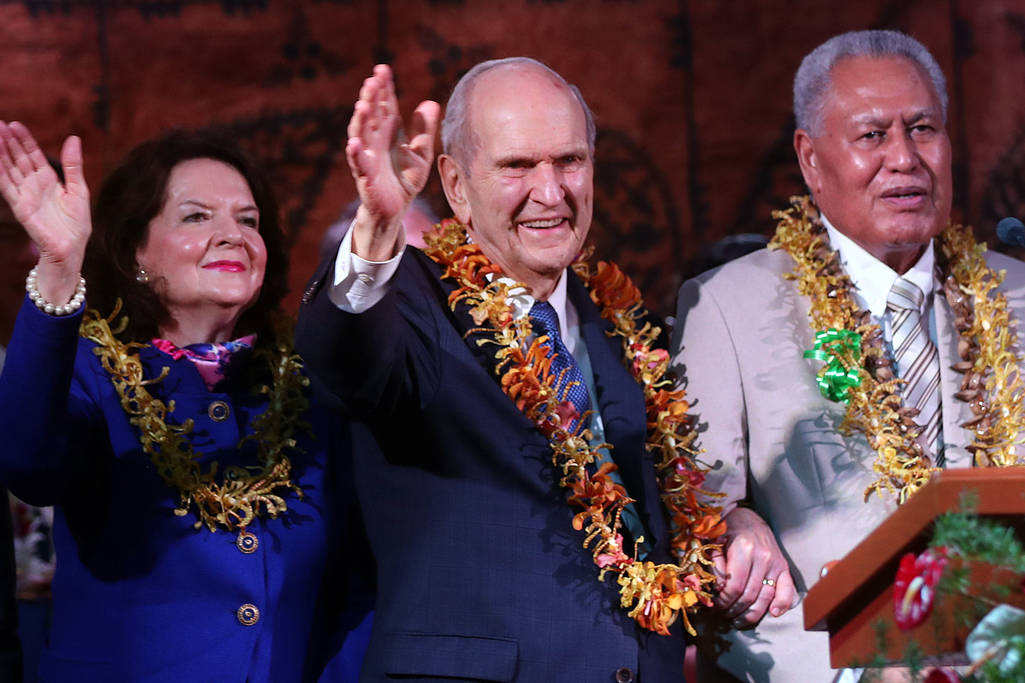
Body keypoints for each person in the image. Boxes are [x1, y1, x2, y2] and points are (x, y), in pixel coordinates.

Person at [296, 58, 727, 681]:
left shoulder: (623, 327)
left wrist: (735, 520)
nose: (550, 193)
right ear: (456, 183)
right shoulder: (415, 298)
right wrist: (378, 227)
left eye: (570, 161)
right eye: (517, 166)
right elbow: (343, 352)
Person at [671, 30, 1025, 682]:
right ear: (809, 158)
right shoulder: (726, 307)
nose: (903, 157)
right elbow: (699, 532)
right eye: (871, 135)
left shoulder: (1017, 293)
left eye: (922, 129)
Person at [0, 122, 370, 682]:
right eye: (197, 216)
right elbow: (28, 466)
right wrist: (56, 269)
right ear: (136, 253)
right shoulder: (87, 371)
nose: (233, 235)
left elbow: (357, 581)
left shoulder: (311, 387)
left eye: (248, 220)